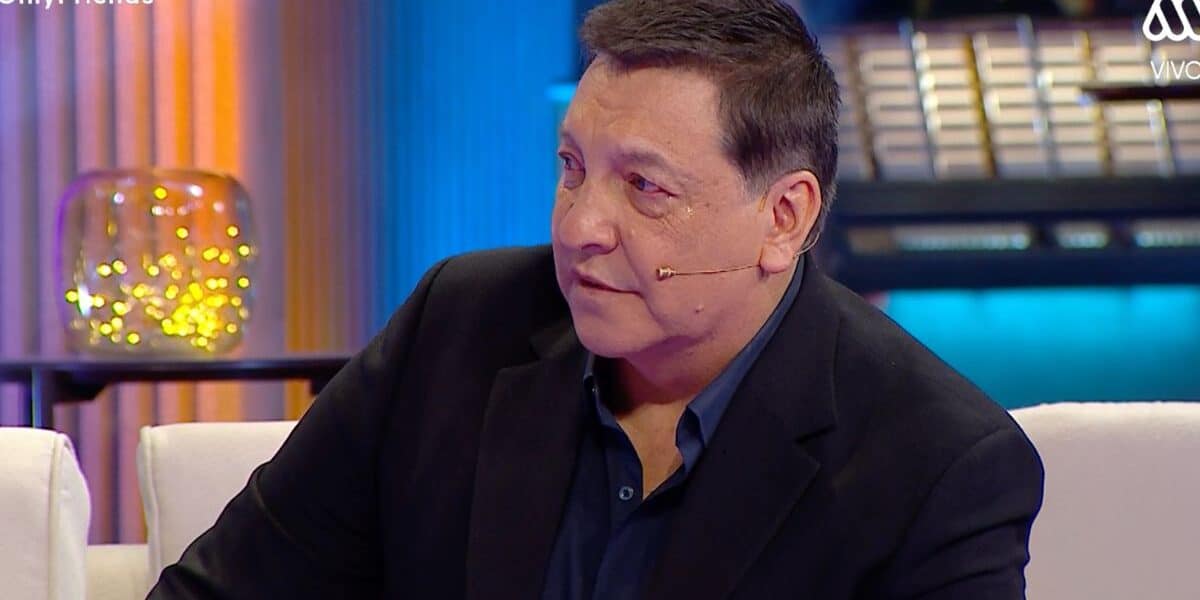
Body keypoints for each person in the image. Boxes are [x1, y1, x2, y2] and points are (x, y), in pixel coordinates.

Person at [147, 1, 1043, 598]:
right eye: (572, 168)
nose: (579, 227)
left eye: (645, 188)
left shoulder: (937, 465)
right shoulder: (458, 326)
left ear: (784, 217)